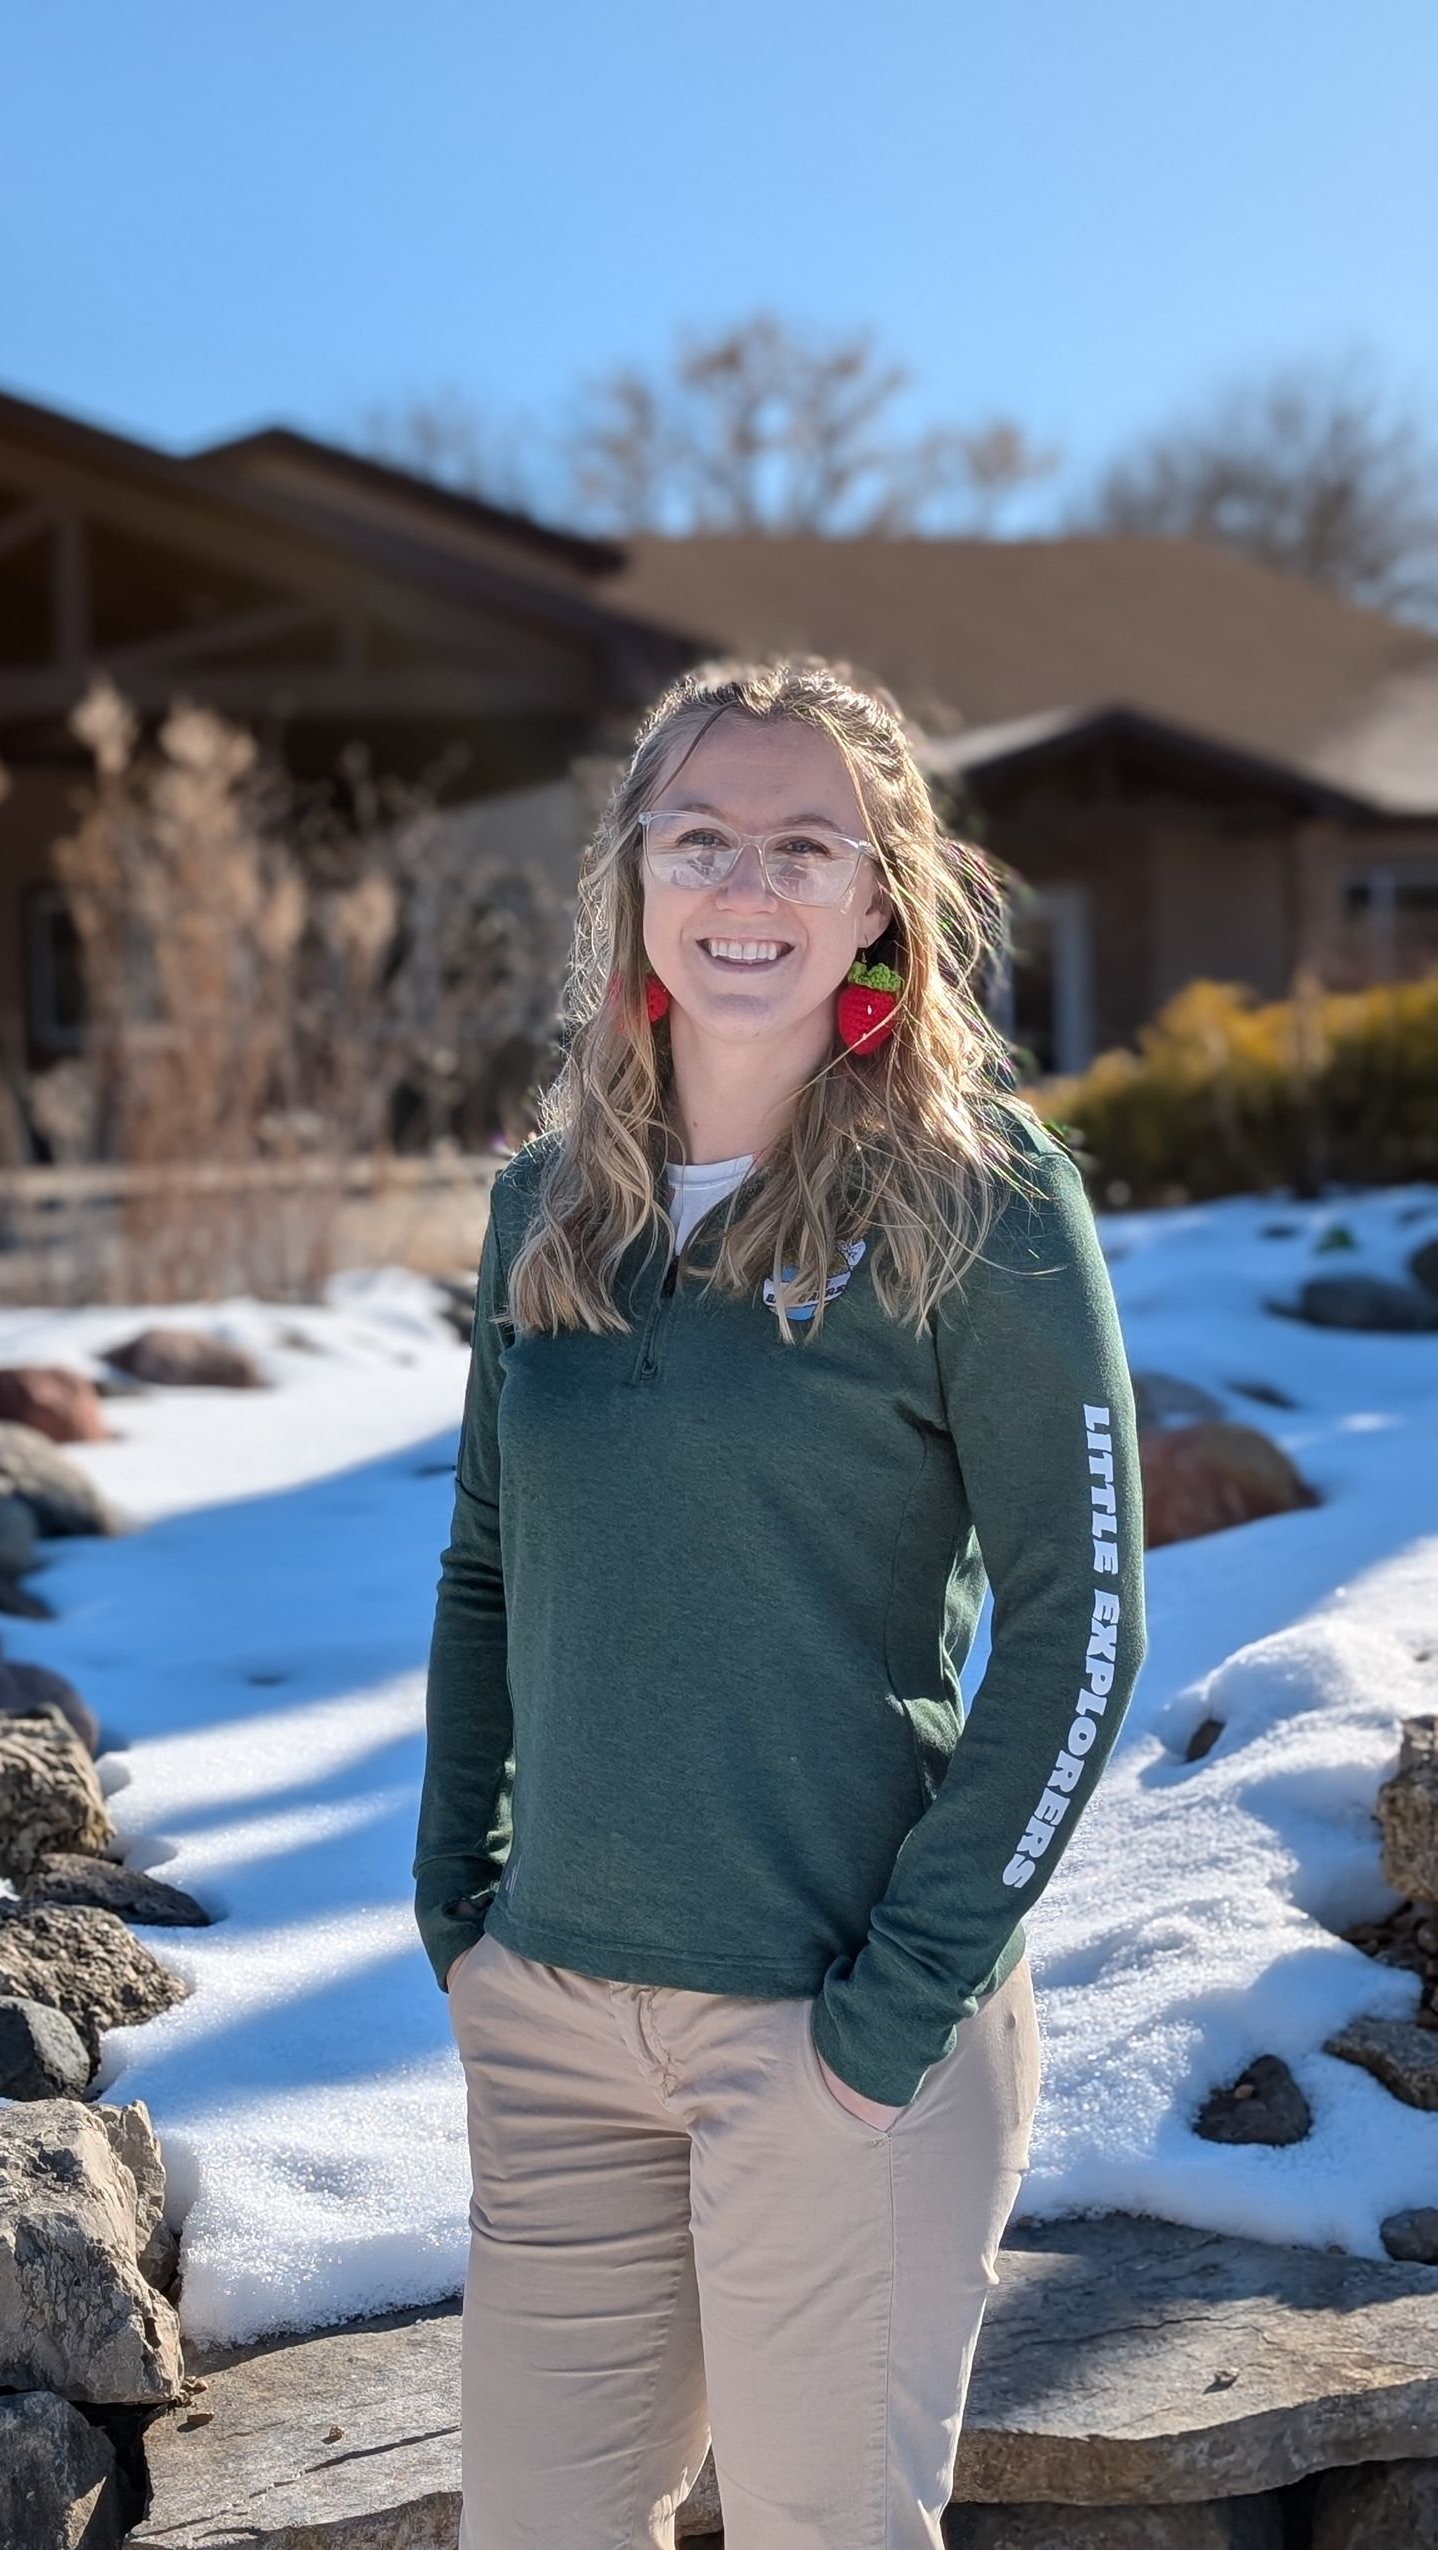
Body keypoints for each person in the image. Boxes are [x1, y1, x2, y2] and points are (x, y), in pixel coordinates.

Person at [413, 657, 1147, 2550]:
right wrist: (459, 1910)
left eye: (805, 845)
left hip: (834, 2038)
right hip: (561, 2024)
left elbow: (1081, 1635)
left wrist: (883, 2025)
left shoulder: (976, 1202)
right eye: (704, 836)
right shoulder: (549, 1201)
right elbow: (493, 1558)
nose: (750, 885)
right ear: (637, 876)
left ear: (882, 892)